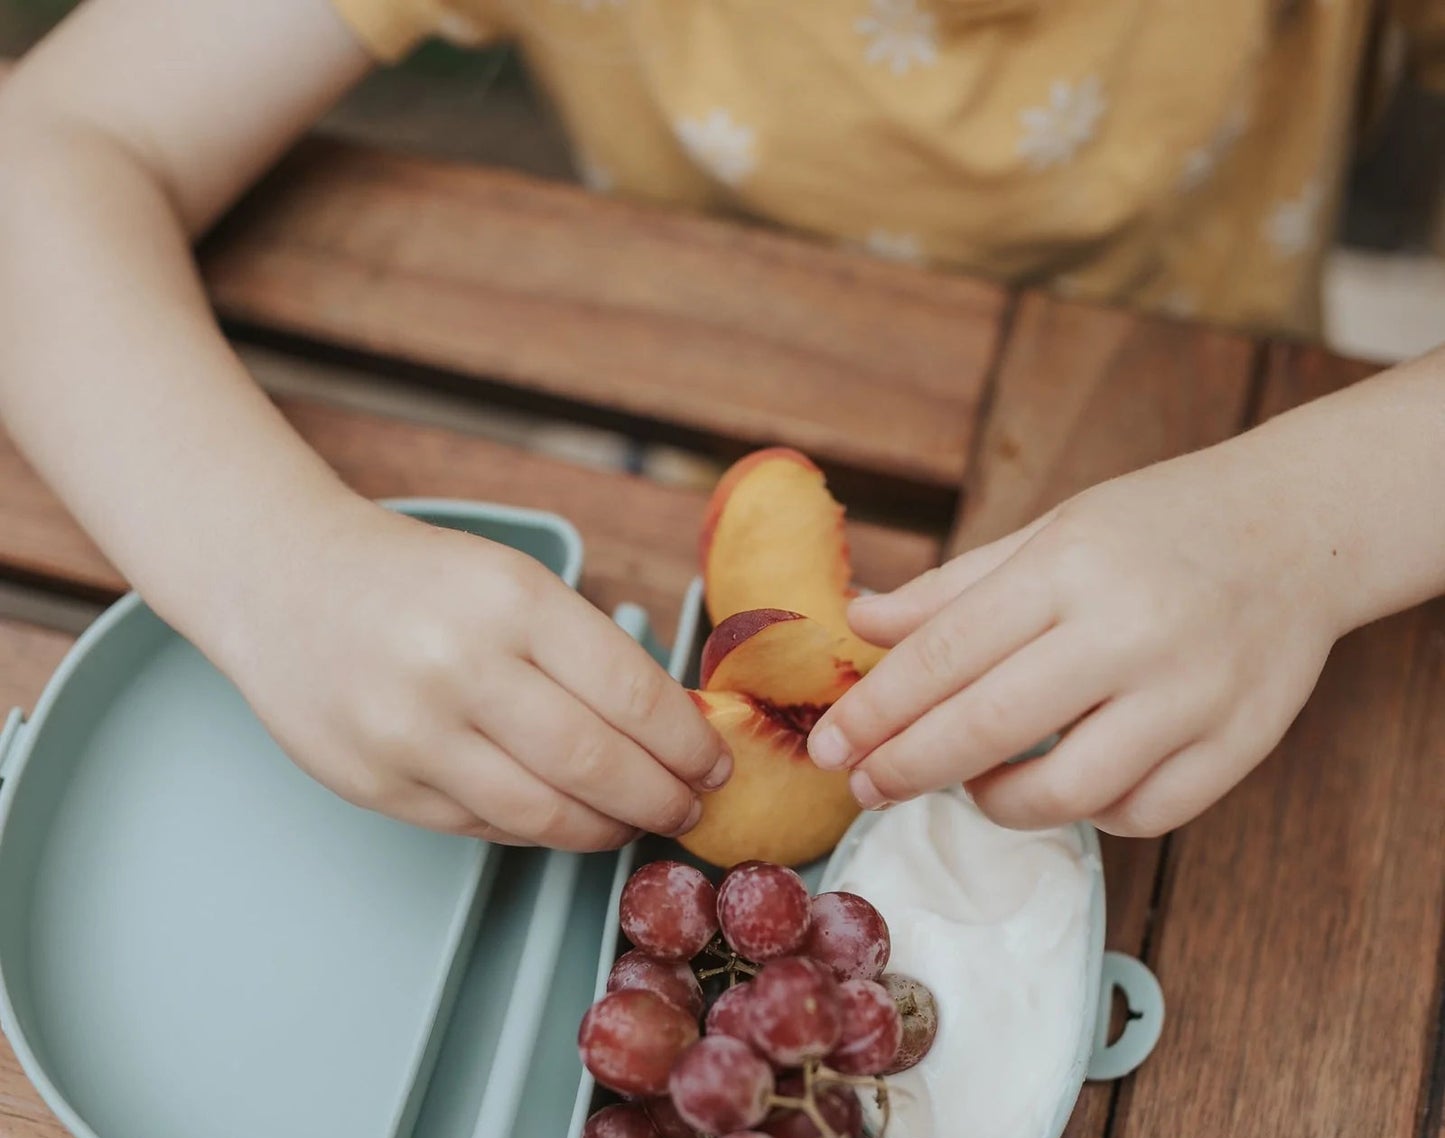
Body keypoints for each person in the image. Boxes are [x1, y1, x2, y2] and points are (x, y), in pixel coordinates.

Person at [0, 0, 1441, 850]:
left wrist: (1303, 528)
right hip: (681, 509)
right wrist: (276, 568)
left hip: (1241, 563)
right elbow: (41, 158)